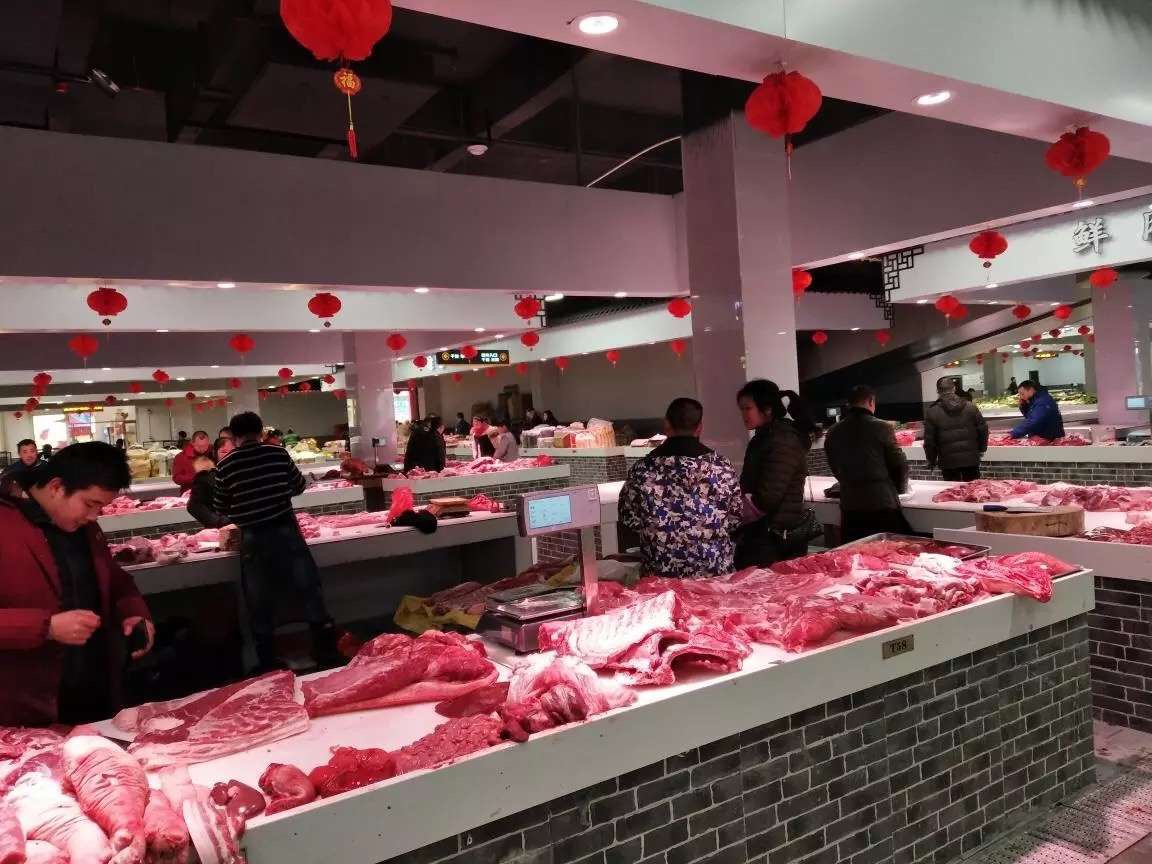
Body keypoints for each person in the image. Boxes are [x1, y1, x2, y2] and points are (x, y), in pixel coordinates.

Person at [0, 442, 154, 725]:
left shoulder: (84, 527)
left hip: (93, 691)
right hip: (23, 706)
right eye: (90, 504)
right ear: (57, 487)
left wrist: (133, 610)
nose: (94, 517)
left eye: (100, 507)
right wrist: (46, 627)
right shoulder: (6, 521)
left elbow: (113, 577)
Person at [215, 412, 340, 671]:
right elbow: (298, 486)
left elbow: (220, 505)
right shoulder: (278, 454)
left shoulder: (226, 465)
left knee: (259, 598)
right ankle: (325, 652)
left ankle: (267, 664)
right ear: (260, 431)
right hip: (286, 531)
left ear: (234, 436)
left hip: (252, 537)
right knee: (308, 588)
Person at [620, 398, 742, 578]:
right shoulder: (721, 467)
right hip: (715, 576)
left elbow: (629, 518)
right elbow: (735, 518)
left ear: (666, 425)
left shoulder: (642, 470)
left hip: (661, 577)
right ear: (699, 427)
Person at [734, 380, 819, 568]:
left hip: (775, 538)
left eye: (748, 408)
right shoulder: (765, 437)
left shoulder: (781, 440)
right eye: (741, 409)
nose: (744, 415)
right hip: (768, 533)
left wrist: (740, 510)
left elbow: (768, 498)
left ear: (767, 409)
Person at [824, 385, 911, 542]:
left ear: (849, 404)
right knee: (889, 550)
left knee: (854, 552)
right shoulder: (882, 427)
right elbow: (899, 464)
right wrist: (899, 489)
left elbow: (834, 466)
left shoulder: (833, 431)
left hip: (850, 504)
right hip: (880, 503)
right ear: (871, 401)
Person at [924, 380, 989, 481]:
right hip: (970, 459)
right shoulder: (970, 406)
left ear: (938, 391)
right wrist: (982, 449)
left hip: (948, 461)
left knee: (952, 489)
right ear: (954, 389)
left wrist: (931, 460)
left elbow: (929, 441)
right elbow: (983, 430)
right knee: (973, 488)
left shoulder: (932, 411)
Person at [187, 437, 235, 529]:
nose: (229, 455)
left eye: (232, 451)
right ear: (215, 453)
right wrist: (220, 521)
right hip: (220, 529)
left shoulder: (243, 472)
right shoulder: (206, 476)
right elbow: (194, 506)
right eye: (224, 452)